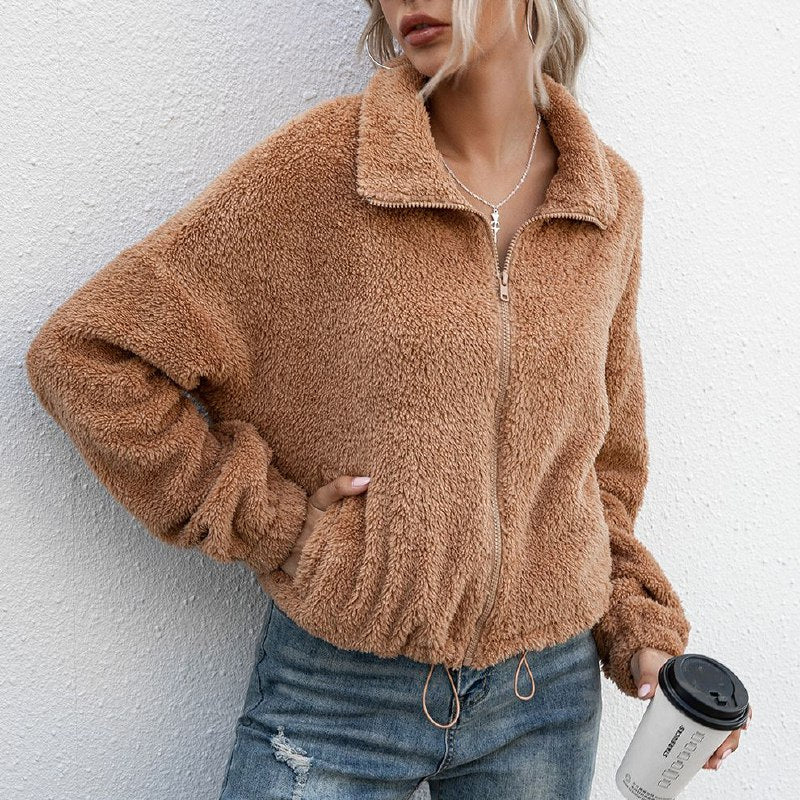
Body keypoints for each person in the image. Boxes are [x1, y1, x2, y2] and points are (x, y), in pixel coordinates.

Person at [25, 0, 752, 797]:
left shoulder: (607, 201)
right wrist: (274, 524)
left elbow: (600, 467)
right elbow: (89, 353)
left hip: (544, 698)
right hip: (340, 690)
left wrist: (642, 635)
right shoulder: (323, 167)